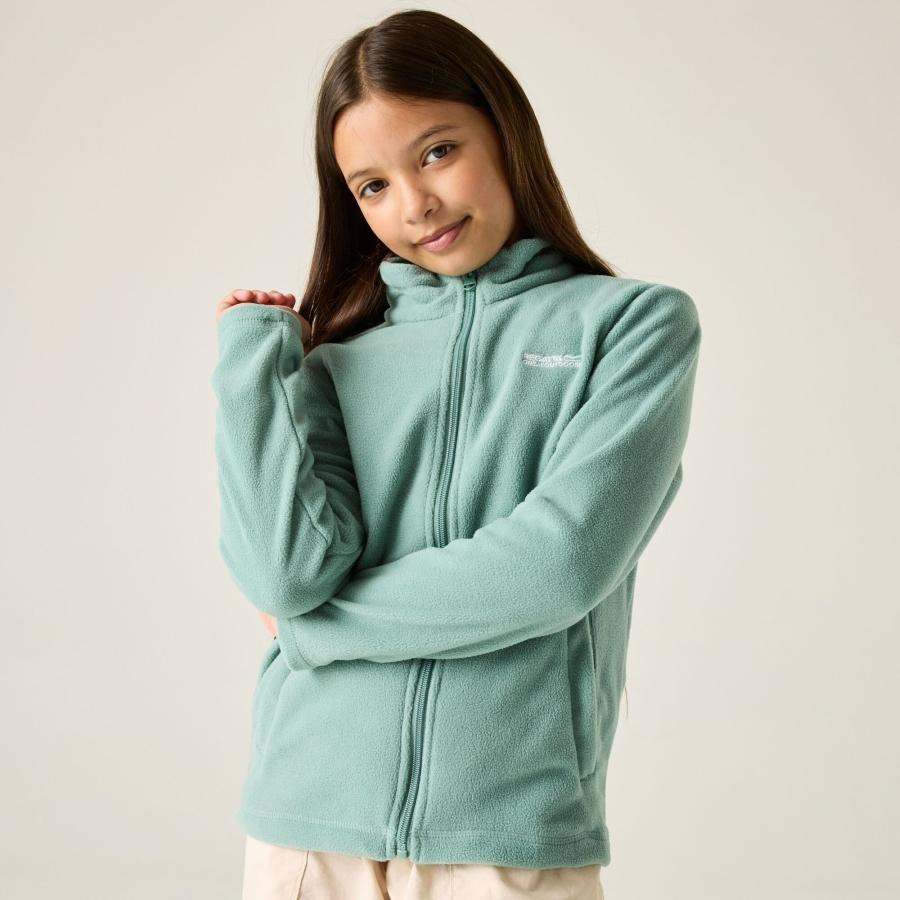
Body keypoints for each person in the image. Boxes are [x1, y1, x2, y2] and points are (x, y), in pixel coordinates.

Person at [211, 9, 701, 900]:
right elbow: (283, 574)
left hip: (506, 832)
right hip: (304, 828)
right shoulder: (336, 360)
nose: (415, 204)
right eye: (372, 185)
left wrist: (318, 632)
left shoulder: (632, 327)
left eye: (437, 152)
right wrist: (252, 367)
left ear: (505, 131)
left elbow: (557, 567)